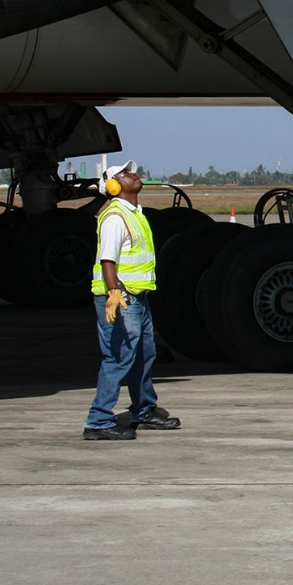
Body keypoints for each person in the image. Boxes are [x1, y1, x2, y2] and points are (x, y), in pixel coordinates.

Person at [83, 160, 179, 440]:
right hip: (120, 300)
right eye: (124, 174)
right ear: (112, 186)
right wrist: (114, 293)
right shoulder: (115, 217)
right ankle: (98, 421)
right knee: (118, 358)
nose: (133, 175)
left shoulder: (134, 213)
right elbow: (107, 262)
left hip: (137, 298)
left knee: (144, 354)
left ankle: (143, 409)